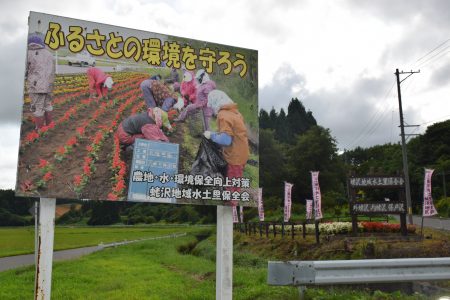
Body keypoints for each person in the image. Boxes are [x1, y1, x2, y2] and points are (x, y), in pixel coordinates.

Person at [203, 90, 249, 194]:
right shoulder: (235, 112)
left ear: (215, 102)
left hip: (235, 156)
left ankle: (231, 204)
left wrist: (212, 135)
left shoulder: (223, 115)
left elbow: (226, 140)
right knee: (234, 179)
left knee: (233, 183)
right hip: (242, 151)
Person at [26, 33, 55, 130]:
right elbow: (53, 70)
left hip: (36, 85)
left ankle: (40, 130)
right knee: (48, 105)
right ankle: (49, 126)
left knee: (38, 108)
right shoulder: (49, 54)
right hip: (49, 85)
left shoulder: (29, 53)